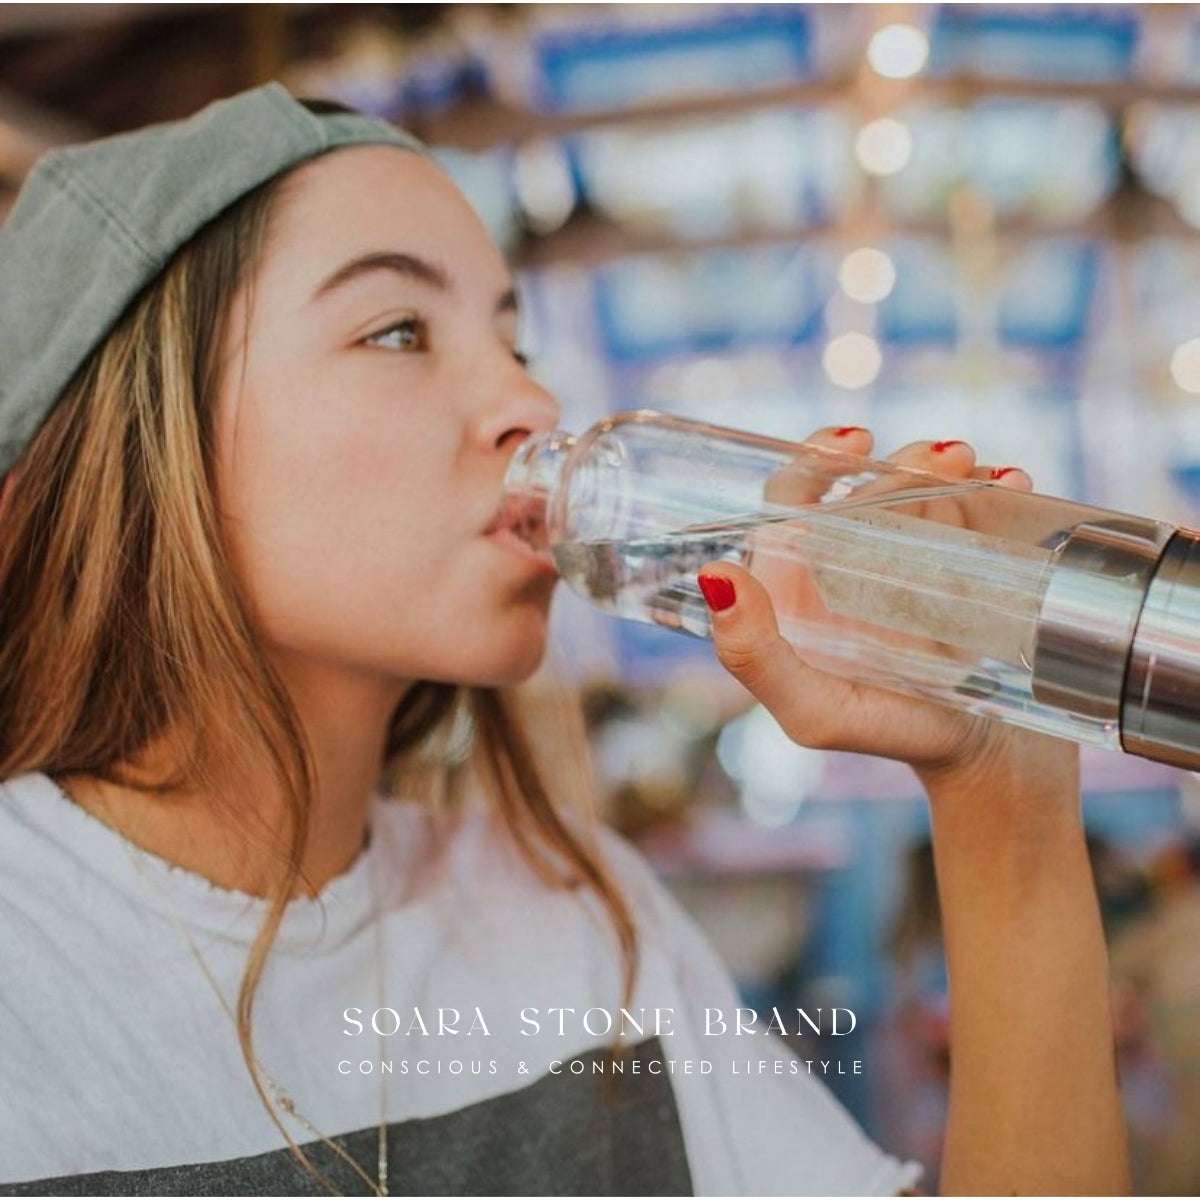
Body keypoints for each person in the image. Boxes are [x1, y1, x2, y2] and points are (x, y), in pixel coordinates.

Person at [0, 84, 1127, 1196]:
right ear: (143, 434)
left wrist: (1002, 797)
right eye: (398, 329)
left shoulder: (575, 910)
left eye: (517, 340)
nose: (531, 404)